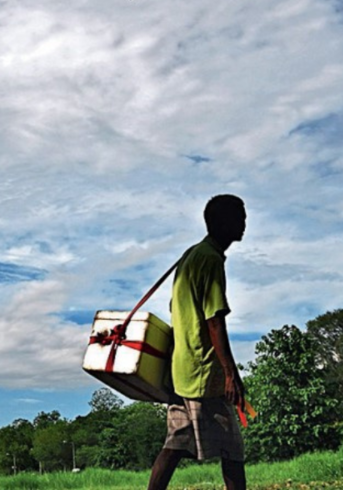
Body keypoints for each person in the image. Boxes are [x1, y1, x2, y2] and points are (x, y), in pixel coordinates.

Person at [148, 194, 248, 490]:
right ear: (222, 223)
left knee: (175, 444)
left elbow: (176, 307)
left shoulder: (192, 254)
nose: (245, 223)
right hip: (205, 372)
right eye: (239, 217)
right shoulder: (210, 259)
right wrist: (231, 374)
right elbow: (214, 320)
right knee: (233, 450)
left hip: (181, 369)